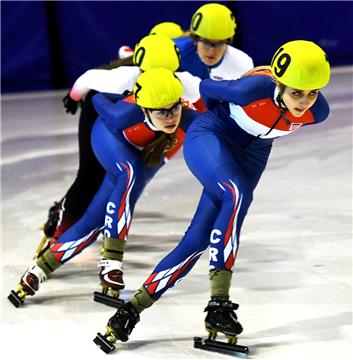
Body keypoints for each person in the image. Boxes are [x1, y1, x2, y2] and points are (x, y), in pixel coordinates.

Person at [93, 40, 330, 354]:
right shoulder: (251, 90)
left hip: (253, 154)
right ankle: (219, 304)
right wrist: (222, 120)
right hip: (212, 136)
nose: (304, 101)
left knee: (198, 240)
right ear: (279, 83)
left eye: (311, 93)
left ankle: (131, 309)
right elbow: (206, 89)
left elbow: (298, 112)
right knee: (236, 193)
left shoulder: (319, 111)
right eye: (296, 92)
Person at [8, 68, 200, 308]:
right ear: (144, 109)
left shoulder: (187, 114)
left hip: (143, 157)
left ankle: (38, 270)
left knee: (95, 222)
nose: (171, 116)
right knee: (129, 173)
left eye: (175, 108)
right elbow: (98, 98)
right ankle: (111, 261)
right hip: (108, 138)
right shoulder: (124, 114)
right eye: (162, 112)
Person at [35, 34, 200, 256]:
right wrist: (74, 97)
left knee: (130, 175)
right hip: (101, 111)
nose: (157, 82)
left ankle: (101, 220)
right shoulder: (123, 78)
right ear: (139, 69)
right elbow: (87, 79)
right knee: (90, 176)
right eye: (151, 75)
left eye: (166, 75)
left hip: (135, 119)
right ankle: (59, 230)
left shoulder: (188, 84)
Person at [175, 3, 254, 81]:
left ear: (228, 42)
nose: (212, 50)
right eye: (206, 43)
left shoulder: (243, 64)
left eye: (219, 44)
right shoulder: (175, 53)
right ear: (195, 39)